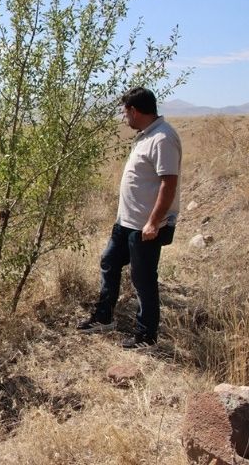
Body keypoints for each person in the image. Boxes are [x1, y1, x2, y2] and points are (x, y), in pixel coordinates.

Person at [76, 86, 182, 349]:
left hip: (145, 226)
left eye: (125, 113)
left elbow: (169, 183)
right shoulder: (146, 135)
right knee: (109, 261)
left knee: (143, 279)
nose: (124, 118)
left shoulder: (163, 138)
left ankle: (146, 336)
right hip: (126, 222)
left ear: (134, 110)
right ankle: (104, 317)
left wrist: (154, 222)